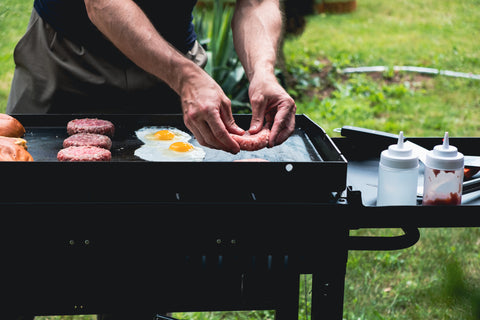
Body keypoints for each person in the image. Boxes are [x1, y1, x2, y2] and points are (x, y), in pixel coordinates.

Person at [7, 0, 296, 154]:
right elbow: (102, 3)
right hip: (69, 57)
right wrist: (188, 78)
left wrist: (262, 72)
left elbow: (256, 2)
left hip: (173, 58)